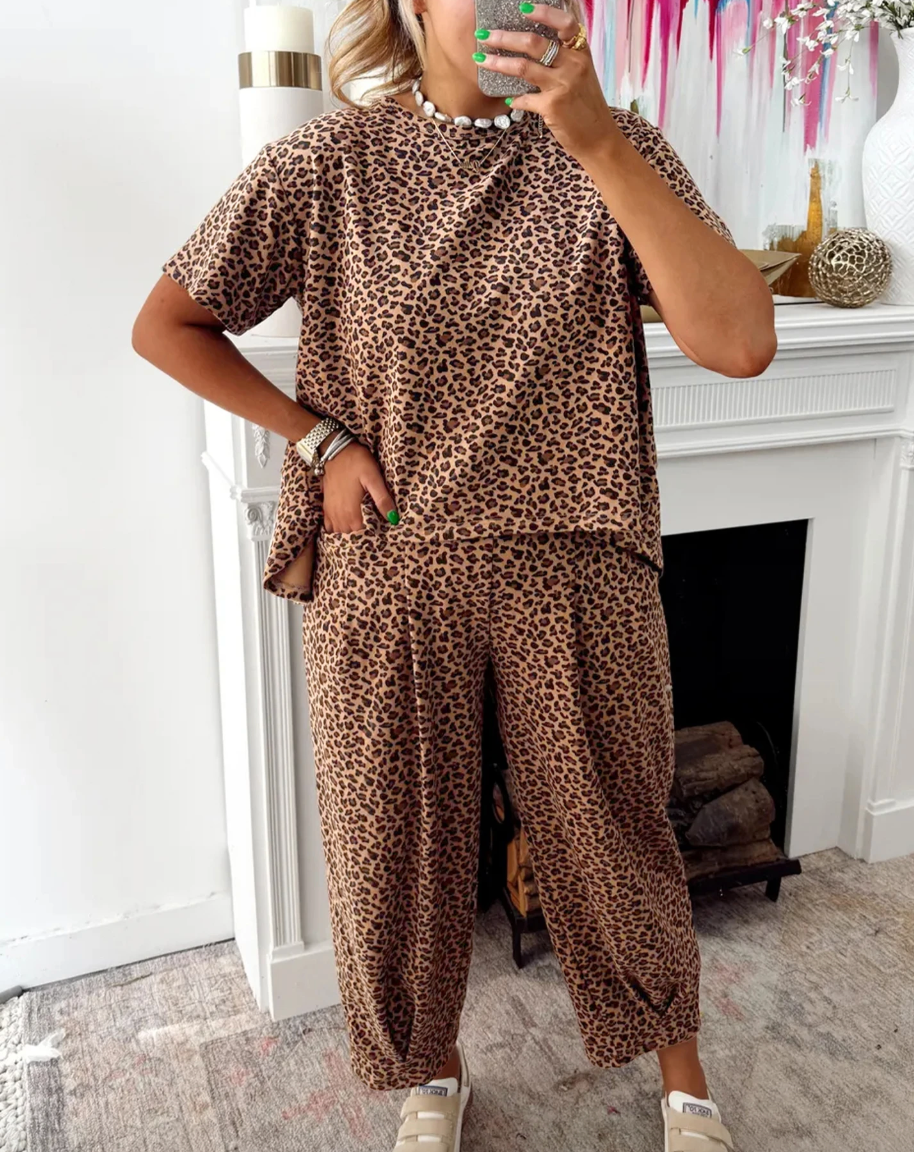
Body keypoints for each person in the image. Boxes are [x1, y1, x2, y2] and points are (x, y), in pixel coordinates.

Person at [133, 2, 776, 1149]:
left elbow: (740, 342)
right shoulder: (329, 162)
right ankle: (430, 1073)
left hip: (577, 558)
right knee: (393, 850)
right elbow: (168, 323)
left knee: (618, 838)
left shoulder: (615, 145)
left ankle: (684, 1085)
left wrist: (596, 141)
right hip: (391, 563)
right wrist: (316, 440)